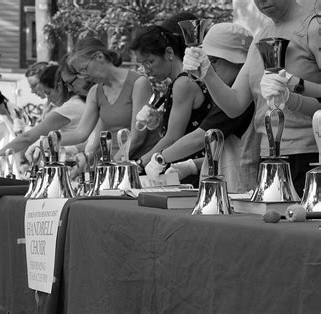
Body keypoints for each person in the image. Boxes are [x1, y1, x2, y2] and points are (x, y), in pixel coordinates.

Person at [183, 0, 321, 196]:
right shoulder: (261, 36)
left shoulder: (313, 27)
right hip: (267, 155)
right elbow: (235, 105)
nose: (261, 1)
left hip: (310, 155)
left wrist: (295, 86)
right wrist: (206, 72)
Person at [144, 23, 256, 193]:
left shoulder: (235, 97)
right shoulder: (227, 93)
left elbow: (199, 138)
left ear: (240, 62)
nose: (209, 68)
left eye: (215, 62)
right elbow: (223, 150)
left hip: (238, 192)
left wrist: (161, 158)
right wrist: (191, 166)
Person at [129, 24, 215, 186]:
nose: (147, 70)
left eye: (150, 62)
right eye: (143, 64)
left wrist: (140, 163)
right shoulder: (178, 81)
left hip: (189, 170)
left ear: (169, 53)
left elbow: (173, 137)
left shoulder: (183, 83)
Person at [60, 38, 157, 161]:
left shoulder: (138, 83)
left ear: (99, 57)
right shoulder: (95, 91)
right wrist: (47, 141)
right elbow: (80, 133)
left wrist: (113, 165)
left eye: (84, 69)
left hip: (138, 164)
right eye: (80, 73)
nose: (85, 76)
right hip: (113, 164)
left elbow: (137, 138)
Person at [0, 57, 92, 159]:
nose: (49, 98)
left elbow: (29, 137)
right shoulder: (78, 102)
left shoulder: (70, 106)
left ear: (59, 86)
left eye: (49, 93)